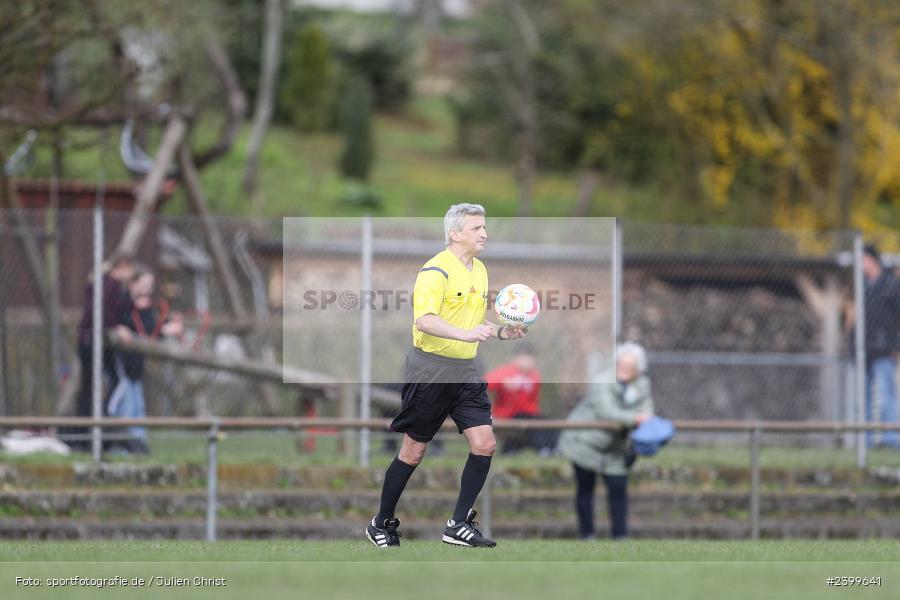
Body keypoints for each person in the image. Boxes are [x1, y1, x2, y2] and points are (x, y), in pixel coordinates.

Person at [366, 203, 525, 548]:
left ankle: (457, 524)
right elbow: (425, 319)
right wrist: (465, 334)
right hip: (431, 369)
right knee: (413, 451)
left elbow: (471, 319)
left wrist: (501, 333)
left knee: (485, 443)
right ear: (455, 234)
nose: (484, 233)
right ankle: (380, 523)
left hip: (466, 370)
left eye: (484, 227)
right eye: (476, 228)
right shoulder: (434, 271)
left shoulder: (479, 269)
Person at [557, 342, 653, 540]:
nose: (624, 369)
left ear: (638, 369)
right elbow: (606, 412)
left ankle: (620, 536)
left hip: (615, 447)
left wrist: (642, 418)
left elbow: (648, 410)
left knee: (618, 488)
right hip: (584, 441)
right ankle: (587, 535)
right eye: (621, 364)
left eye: (630, 366)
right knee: (585, 488)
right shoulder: (602, 381)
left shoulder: (642, 384)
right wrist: (635, 418)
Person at [107, 268, 183, 454]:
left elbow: (152, 329)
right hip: (122, 366)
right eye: (144, 284)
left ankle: (139, 445)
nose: (147, 288)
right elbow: (136, 327)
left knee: (138, 407)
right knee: (124, 407)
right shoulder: (124, 302)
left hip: (137, 368)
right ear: (133, 283)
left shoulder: (147, 306)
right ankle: (121, 447)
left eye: (150, 284)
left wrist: (167, 324)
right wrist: (164, 329)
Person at [66, 253, 135, 452]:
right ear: (122, 266)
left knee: (89, 388)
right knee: (110, 384)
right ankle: (104, 423)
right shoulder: (109, 283)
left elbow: (117, 310)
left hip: (92, 341)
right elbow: (101, 312)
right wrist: (116, 327)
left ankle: (87, 436)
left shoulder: (106, 283)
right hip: (93, 341)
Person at [852, 245, 900, 448]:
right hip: (865, 351)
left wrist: (895, 345)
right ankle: (866, 443)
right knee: (863, 399)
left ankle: (893, 440)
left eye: (862, 259)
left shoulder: (890, 285)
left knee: (886, 396)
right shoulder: (862, 286)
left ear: (871, 259)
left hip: (884, 350)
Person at [485, 343, 556, 455]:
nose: (527, 361)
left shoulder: (534, 375)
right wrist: (502, 382)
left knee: (548, 423)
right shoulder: (505, 371)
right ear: (514, 358)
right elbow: (485, 384)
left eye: (530, 357)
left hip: (529, 414)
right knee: (532, 421)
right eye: (523, 357)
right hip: (508, 415)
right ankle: (543, 449)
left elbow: (531, 398)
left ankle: (549, 448)